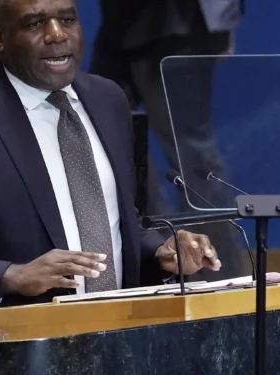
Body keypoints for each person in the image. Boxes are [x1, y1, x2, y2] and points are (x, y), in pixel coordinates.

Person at [0, 0, 223, 346]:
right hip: (6, 352)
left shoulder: (108, 99)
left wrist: (158, 250)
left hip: (118, 346)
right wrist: (10, 276)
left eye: (67, 20)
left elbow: (116, 221)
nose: (57, 35)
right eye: (35, 24)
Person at [89, 0, 249, 281]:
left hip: (177, 22)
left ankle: (223, 279)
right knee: (119, 145)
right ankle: (166, 261)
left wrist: (223, 18)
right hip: (120, 24)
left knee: (192, 153)